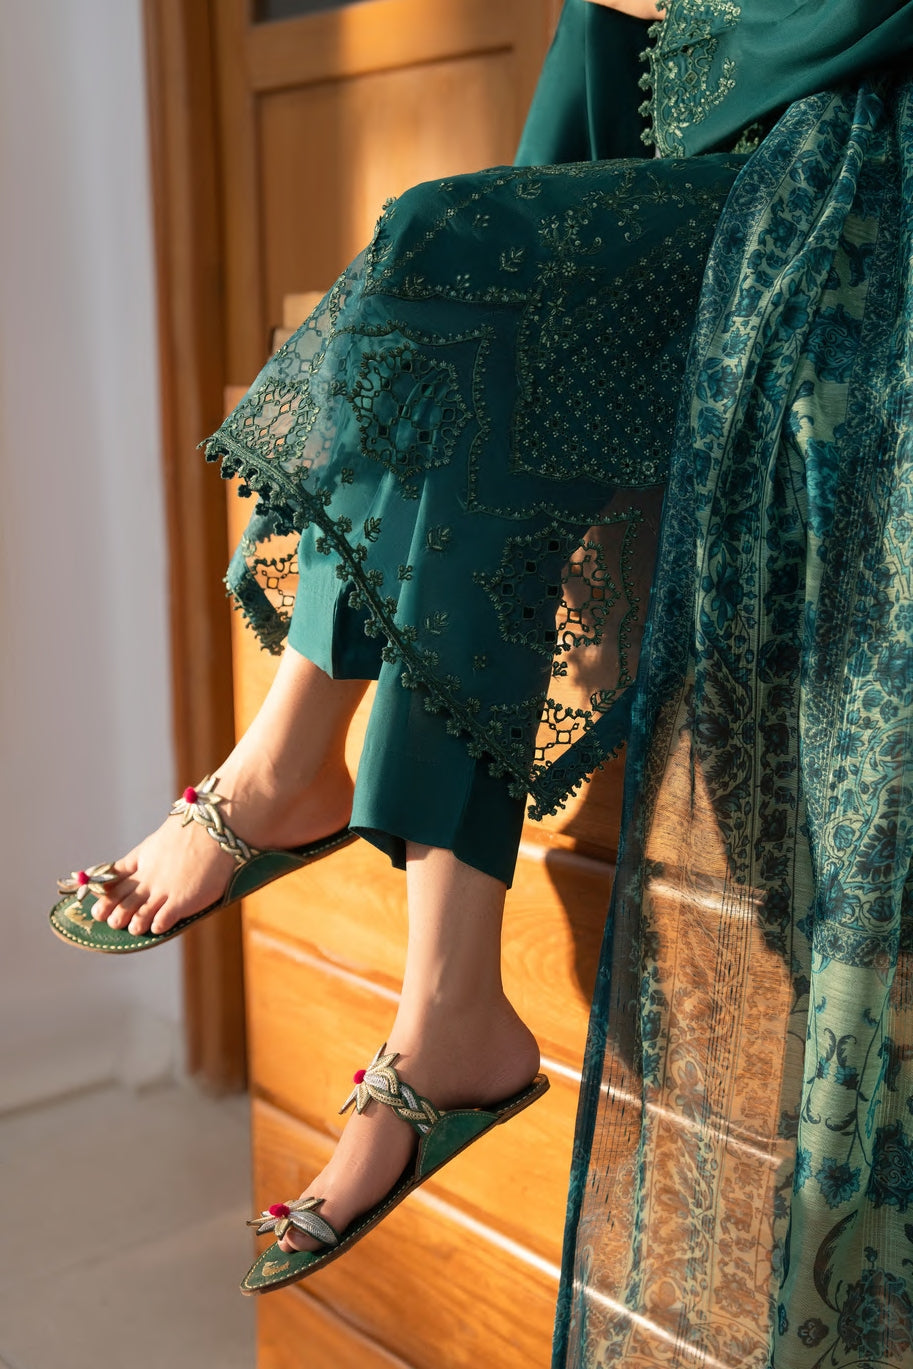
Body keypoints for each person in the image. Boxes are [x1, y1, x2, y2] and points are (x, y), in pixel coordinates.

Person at [49, 0, 913, 1358]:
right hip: (702, 170)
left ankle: (297, 801)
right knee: (449, 315)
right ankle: (432, 983)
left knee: (440, 258)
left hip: (855, 174)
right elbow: (596, 59)